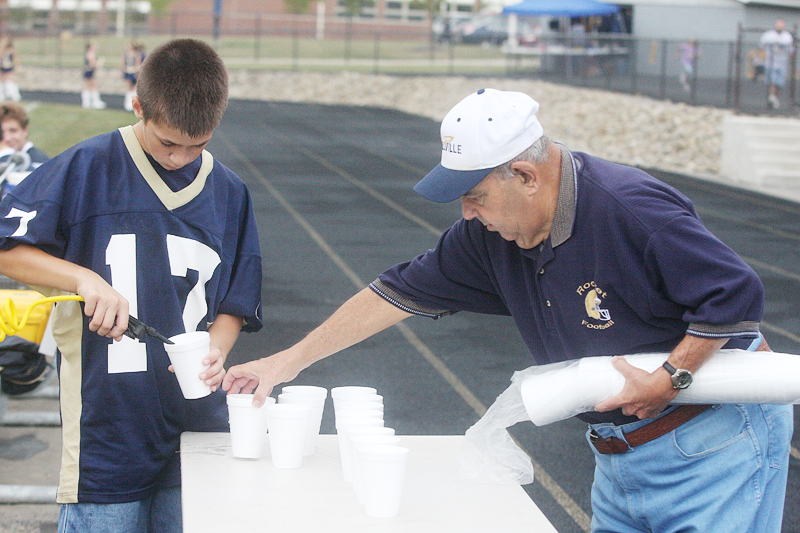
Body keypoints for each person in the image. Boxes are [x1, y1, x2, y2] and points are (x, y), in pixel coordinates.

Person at [223, 88, 792, 533]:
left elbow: (735, 295)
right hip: (618, 453)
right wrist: (287, 362)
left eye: (475, 197)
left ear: (524, 175)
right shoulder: (486, 236)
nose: (468, 215)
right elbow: (392, 294)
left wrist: (671, 378)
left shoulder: (630, 209)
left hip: (711, 442)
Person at [0, 38, 263, 533]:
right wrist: (82, 278)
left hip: (197, 421)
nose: (181, 158)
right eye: (168, 143)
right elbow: (6, 245)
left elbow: (235, 298)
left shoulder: (229, 190)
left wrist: (215, 352)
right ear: (138, 107)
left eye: (199, 144)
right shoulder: (86, 167)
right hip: (109, 424)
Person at [760, 19, 794, 109]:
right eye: (778, 25)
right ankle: (772, 97)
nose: (780, 27)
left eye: (781, 25)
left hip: (782, 63)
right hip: (770, 63)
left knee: (779, 83)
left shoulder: (787, 37)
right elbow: (761, 47)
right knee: (772, 81)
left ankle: (774, 98)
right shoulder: (769, 35)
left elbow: (791, 51)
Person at [120, 40, 145, 112]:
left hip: (134, 72)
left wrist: (137, 70)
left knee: (134, 87)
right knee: (128, 87)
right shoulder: (126, 54)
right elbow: (123, 63)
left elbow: (138, 63)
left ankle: (134, 103)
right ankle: (128, 103)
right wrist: (122, 71)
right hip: (127, 71)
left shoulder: (136, 54)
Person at [81, 41, 106, 109]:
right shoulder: (90, 54)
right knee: (91, 85)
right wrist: (98, 65)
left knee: (89, 85)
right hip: (89, 71)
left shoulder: (89, 53)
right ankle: (92, 102)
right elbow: (92, 64)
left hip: (88, 71)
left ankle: (88, 102)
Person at [0, 37, 21, 102]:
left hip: (9, 68)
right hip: (2, 68)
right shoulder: (2, 50)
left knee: (9, 82)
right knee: (1, 82)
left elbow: (15, 60)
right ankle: (2, 96)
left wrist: (17, 67)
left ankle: (14, 95)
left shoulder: (12, 51)